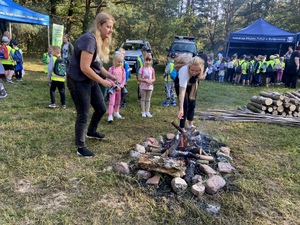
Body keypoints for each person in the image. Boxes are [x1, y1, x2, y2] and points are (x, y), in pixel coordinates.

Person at [67, 12, 117, 157]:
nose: (110, 30)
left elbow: (96, 65)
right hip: (78, 80)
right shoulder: (89, 40)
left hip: (89, 79)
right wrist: (102, 81)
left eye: (111, 27)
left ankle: (91, 131)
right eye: (108, 26)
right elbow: (84, 67)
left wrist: (109, 75)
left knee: (101, 108)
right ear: (99, 25)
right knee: (83, 113)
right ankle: (80, 147)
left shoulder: (98, 40)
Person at [177, 56, 206, 129]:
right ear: (189, 67)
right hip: (180, 85)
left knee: (192, 104)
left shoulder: (203, 66)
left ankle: (190, 123)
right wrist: (181, 108)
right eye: (192, 70)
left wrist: (201, 77)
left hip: (193, 83)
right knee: (185, 105)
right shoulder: (184, 72)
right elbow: (182, 92)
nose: (194, 73)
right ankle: (181, 127)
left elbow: (205, 73)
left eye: (197, 71)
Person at [107, 52, 126, 122]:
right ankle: (110, 115)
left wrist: (121, 86)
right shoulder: (111, 69)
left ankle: (116, 112)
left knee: (118, 100)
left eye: (121, 62)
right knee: (112, 101)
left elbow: (124, 79)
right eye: (118, 62)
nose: (120, 63)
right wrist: (115, 85)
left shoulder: (122, 70)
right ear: (114, 61)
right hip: (113, 88)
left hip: (119, 88)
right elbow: (109, 78)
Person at [138, 53, 155, 118]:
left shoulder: (152, 69)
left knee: (148, 99)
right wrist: (145, 80)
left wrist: (151, 81)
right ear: (144, 60)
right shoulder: (141, 69)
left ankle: (147, 111)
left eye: (149, 60)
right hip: (143, 86)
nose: (148, 62)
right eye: (146, 60)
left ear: (151, 61)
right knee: (143, 99)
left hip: (149, 87)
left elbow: (154, 78)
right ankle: (143, 111)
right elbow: (139, 78)